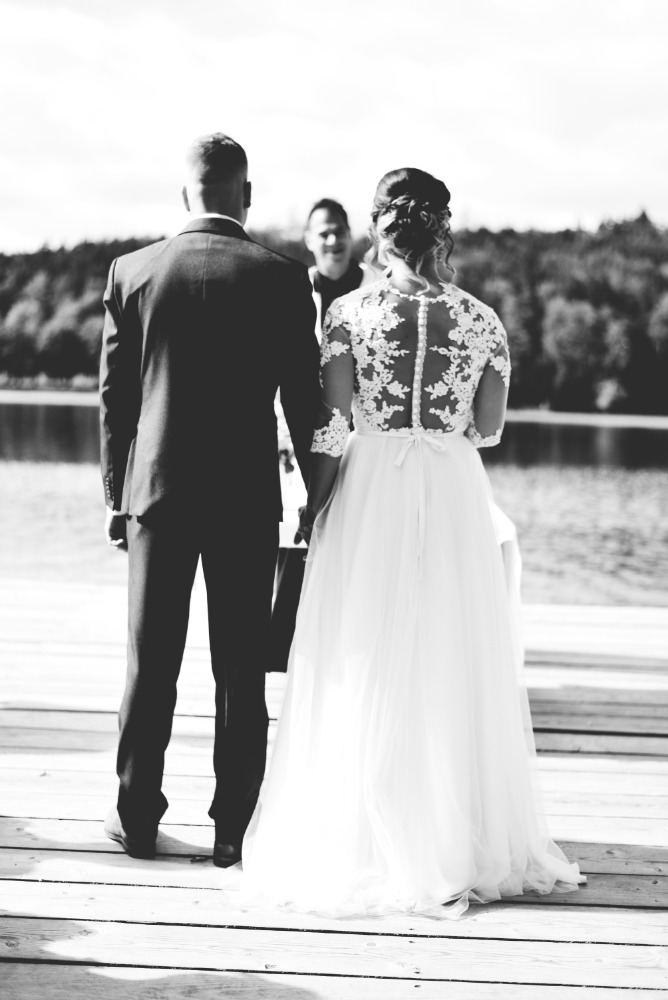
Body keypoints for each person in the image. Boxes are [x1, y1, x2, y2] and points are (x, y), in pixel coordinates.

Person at [237, 168, 584, 917]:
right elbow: (488, 428)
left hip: (372, 488)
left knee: (362, 645)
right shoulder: (483, 320)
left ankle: (366, 832)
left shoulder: (348, 315)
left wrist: (316, 506)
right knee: (448, 647)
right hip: (452, 489)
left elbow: (333, 427)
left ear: (378, 230)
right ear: (442, 230)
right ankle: (455, 836)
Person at [99, 132, 320, 868]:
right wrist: (319, 497)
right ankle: (234, 829)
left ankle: (136, 819)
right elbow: (304, 404)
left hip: (156, 497)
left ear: (185, 194)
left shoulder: (133, 271)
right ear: (245, 195)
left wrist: (115, 496)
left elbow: (115, 402)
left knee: (149, 662)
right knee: (241, 669)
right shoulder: (283, 278)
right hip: (246, 500)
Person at [268, 199, 376, 672]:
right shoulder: (294, 287)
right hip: (297, 429)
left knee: (350, 534)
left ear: (351, 235)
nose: (333, 240)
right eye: (323, 233)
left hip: (362, 432)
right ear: (309, 240)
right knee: (295, 532)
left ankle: (345, 642)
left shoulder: (376, 287)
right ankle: (283, 648)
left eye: (339, 231)